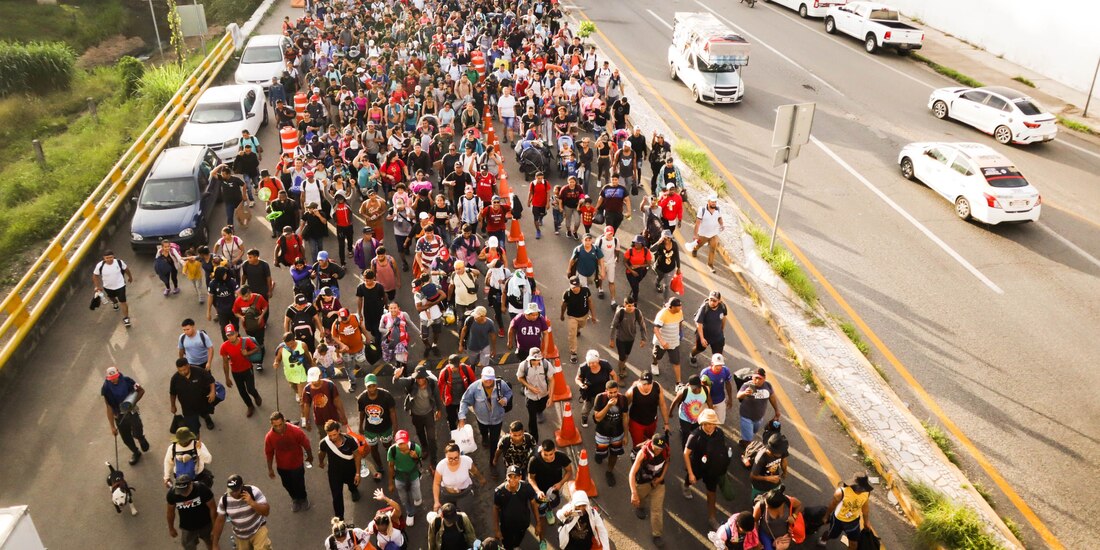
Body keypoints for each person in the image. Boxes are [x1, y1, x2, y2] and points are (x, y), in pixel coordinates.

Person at [684, 409, 733, 528]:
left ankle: (712, 518)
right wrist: (690, 473)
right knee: (689, 481)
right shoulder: (695, 435)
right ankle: (685, 486)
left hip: (712, 470)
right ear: (702, 423)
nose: (710, 426)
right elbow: (686, 453)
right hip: (697, 467)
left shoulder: (720, 433)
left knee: (712, 493)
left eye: (712, 423)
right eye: (707, 423)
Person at [393, 363, 444, 464]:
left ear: (426, 377)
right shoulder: (410, 382)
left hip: (429, 413)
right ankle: (425, 448)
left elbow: (437, 397)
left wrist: (439, 410)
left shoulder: (432, 383)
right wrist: (396, 376)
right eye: (418, 378)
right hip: (416, 414)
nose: (420, 380)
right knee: (420, 432)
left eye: (422, 378)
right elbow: (397, 382)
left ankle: (433, 457)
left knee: (431, 437)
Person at [263, 411, 312, 512]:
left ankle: (303, 498)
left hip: (297, 464)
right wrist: (270, 469)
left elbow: (306, 443)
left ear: (284, 421)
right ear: (271, 424)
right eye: (275, 425)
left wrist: (309, 456)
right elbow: (269, 453)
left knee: (299, 483)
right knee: (287, 484)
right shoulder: (269, 437)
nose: (279, 427)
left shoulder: (296, 431)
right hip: (282, 466)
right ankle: (295, 498)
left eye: (280, 424)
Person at [629, 432, 671, 547]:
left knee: (657, 510)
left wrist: (661, 477)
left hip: (658, 482)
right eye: (656, 448)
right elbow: (632, 474)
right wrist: (633, 493)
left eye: (660, 449)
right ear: (652, 443)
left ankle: (657, 535)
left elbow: (667, 461)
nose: (658, 451)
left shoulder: (665, 449)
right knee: (640, 497)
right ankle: (640, 507)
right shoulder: (643, 453)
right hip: (643, 481)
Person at [101, 366, 149, 465]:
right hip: (119, 416)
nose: (114, 380)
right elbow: (108, 407)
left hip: (131, 411)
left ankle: (140, 438)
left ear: (118, 374)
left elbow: (141, 391)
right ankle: (136, 452)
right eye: (111, 379)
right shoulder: (106, 388)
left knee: (137, 429)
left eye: (115, 377)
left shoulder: (127, 381)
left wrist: (132, 403)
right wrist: (112, 426)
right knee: (126, 438)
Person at [458, 367, 513, 452]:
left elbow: (509, 392)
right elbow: (464, 401)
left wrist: (505, 399)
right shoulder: (474, 387)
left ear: (494, 377)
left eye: (491, 378)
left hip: (497, 419)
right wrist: (462, 417)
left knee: (494, 440)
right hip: (482, 419)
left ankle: (493, 455)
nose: (488, 381)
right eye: (486, 378)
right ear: (481, 376)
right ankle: (485, 438)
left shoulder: (500, 384)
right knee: (483, 431)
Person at [211, 475, 271, 550]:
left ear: (242, 486)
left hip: (258, 530)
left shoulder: (253, 491)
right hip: (241, 537)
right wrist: (215, 544)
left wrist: (252, 503)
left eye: (236, 490)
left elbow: (266, 512)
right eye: (231, 490)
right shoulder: (224, 500)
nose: (234, 493)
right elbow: (219, 522)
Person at [357, 373, 399, 482]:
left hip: (386, 428)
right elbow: (362, 413)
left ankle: (391, 461)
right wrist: (360, 426)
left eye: (373, 385)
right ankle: (380, 466)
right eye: (369, 386)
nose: (371, 388)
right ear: (365, 386)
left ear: (377, 385)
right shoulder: (362, 398)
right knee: (373, 449)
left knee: (387, 445)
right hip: (370, 430)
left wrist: (395, 428)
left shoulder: (386, 396)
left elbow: (392, 412)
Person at [317, 419, 362, 520]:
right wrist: (320, 462)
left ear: (339, 431)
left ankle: (353, 490)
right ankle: (340, 518)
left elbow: (357, 456)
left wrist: (358, 474)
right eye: (330, 435)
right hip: (334, 473)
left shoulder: (350, 440)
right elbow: (322, 453)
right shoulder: (324, 443)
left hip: (350, 470)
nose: (332, 438)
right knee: (336, 497)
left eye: (334, 434)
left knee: (353, 484)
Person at [493, 464, 541, 550]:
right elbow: (496, 508)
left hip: (523, 523)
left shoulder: (526, 487)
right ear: (506, 476)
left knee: (518, 539)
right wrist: (497, 530)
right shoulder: (499, 491)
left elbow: (533, 504)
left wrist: (538, 523)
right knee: (507, 544)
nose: (512, 480)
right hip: (506, 526)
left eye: (515, 477)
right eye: (509, 476)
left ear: (520, 477)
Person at [527, 439, 574, 524]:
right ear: (541, 450)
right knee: (539, 506)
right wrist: (538, 491)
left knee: (553, 502)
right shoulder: (534, 460)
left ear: (555, 450)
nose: (548, 457)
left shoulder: (562, 457)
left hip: (556, 488)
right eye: (545, 454)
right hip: (540, 488)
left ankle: (548, 510)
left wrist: (561, 483)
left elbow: (569, 471)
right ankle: (540, 516)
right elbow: (531, 478)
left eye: (551, 454)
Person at [219, 324, 263, 417]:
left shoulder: (245, 341)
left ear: (236, 333)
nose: (230, 337)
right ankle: (250, 406)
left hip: (247, 369)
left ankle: (256, 395)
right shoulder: (224, 346)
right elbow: (225, 363)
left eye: (232, 334)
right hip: (235, 372)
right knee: (242, 392)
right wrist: (227, 378)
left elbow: (257, 348)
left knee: (250, 389)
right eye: (228, 335)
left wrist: (248, 353)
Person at [821, 473, 874, 548]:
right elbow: (832, 505)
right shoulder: (841, 492)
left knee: (854, 544)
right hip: (838, 520)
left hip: (853, 521)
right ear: (855, 485)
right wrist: (826, 516)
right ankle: (823, 539)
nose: (863, 490)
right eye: (862, 488)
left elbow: (865, 508)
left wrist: (866, 522)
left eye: (864, 488)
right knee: (832, 535)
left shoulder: (866, 493)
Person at [433, 441, 487, 513]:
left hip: (464, 493)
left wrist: (481, 479)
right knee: (449, 514)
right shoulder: (441, 466)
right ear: (446, 457)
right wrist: (436, 501)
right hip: (448, 495)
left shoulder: (466, 461)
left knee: (464, 513)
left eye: (456, 458)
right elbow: (436, 483)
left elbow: (474, 471)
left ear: (459, 455)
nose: (453, 461)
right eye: (450, 459)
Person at [592, 380, 628, 486]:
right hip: (602, 433)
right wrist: (607, 406)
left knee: (614, 454)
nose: (613, 395)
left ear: (618, 390)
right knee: (601, 452)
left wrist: (626, 435)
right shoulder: (600, 398)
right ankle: (599, 454)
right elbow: (597, 418)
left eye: (615, 392)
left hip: (617, 433)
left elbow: (625, 417)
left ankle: (609, 471)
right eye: (610, 392)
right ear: (606, 391)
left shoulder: (623, 399)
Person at [167, 474, 216, 550]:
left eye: (185, 490)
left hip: (206, 524)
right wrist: (171, 528)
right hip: (187, 528)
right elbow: (170, 512)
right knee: (188, 547)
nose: (183, 494)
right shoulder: (172, 494)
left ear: (191, 484)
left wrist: (215, 527)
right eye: (180, 491)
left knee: (211, 543)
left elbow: (213, 508)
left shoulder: (202, 489)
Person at [169, 358, 217, 434]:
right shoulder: (175, 379)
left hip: (202, 402)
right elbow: (172, 393)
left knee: (204, 413)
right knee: (193, 430)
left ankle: (207, 418)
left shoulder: (199, 371)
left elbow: (211, 380)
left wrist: (212, 392)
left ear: (188, 366)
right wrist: (173, 405)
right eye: (180, 370)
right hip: (188, 409)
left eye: (184, 370)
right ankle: (196, 440)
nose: (182, 372)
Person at [516, 348, 555, 442]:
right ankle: (534, 440)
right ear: (529, 358)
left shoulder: (546, 364)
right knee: (532, 419)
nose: (536, 362)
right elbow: (519, 377)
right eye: (534, 360)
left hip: (543, 394)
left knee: (541, 407)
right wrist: (530, 387)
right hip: (530, 396)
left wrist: (551, 396)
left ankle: (540, 411)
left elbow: (552, 380)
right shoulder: (523, 365)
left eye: (538, 360)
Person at [736, 368, 782, 447]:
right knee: (749, 439)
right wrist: (744, 393)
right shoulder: (747, 385)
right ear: (752, 377)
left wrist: (777, 410)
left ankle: (745, 440)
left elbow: (772, 398)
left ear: (764, 378)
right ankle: (746, 447)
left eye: (760, 378)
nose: (757, 381)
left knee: (754, 431)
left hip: (759, 418)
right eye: (755, 378)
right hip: (746, 417)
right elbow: (738, 396)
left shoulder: (768, 385)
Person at [625, 371, 670, 450]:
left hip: (652, 422)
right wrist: (624, 430)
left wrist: (666, 423)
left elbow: (662, 405)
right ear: (639, 381)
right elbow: (624, 409)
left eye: (649, 384)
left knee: (649, 441)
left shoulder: (657, 387)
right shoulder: (632, 392)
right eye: (644, 384)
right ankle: (637, 458)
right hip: (636, 423)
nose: (646, 386)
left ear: (652, 382)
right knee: (638, 445)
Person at [388, 429, 424, 525]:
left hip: (413, 475)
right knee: (404, 498)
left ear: (408, 441)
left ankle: (417, 498)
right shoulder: (392, 450)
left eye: (403, 443)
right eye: (399, 444)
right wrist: (391, 482)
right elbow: (391, 466)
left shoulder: (416, 448)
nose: (401, 446)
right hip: (399, 477)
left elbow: (420, 463)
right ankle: (410, 513)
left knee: (417, 497)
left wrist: (416, 457)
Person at [330, 307, 371, 390]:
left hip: (359, 348)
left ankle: (359, 367)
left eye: (346, 318)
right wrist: (342, 344)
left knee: (362, 362)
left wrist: (367, 337)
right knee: (349, 368)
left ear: (349, 315)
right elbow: (334, 336)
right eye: (342, 318)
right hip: (347, 352)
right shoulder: (336, 324)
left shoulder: (355, 317)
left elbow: (362, 328)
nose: (344, 320)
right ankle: (353, 382)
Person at [669, 374, 712, 450]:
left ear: (700, 385)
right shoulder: (684, 392)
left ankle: (693, 446)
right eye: (693, 388)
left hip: (696, 418)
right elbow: (674, 402)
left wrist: (711, 413)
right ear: (689, 385)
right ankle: (685, 450)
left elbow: (709, 401)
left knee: (695, 433)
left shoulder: (705, 390)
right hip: (684, 418)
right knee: (685, 435)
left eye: (697, 388)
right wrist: (670, 412)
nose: (695, 390)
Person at [301, 367, 348, 436]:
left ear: (320, 375)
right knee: (324, 437)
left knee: (336, 435)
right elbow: (306, 406)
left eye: (315, 379)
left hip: (333, 417)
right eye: (312, 380)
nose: (313, 382)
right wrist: (307, 421)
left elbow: (337, 401)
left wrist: (343, 416)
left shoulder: (330, 385)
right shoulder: (307, 389)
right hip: (319, 420)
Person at [752, 486, 803, 550]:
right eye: (767, 506)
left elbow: (799, 505)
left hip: (784, 535)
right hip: (766, 534)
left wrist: (794, 517)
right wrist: (756, 539)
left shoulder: (788, 501)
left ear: (781, 505)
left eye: (770, 508)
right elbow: (755, 521)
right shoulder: (760, 505)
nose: (767, 508)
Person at [576, 350, 617, 428]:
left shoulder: (605, 365)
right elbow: (577, 379)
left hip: (604, 393)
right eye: (589, 363)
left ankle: (602, 419)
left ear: (598, 360)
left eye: (594, 362)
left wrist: (613, 388)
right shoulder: (583, 367)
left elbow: (614, 375)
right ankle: (584, 418)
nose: (592, 365)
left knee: (604, 408)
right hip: (590, 394)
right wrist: (581, 385)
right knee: (586, 409)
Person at [560, 276, 596, 365]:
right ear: (570, 285)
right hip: (572, 316)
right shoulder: (567, 294)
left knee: (581, 326)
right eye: (573, 287)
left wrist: (593, 315)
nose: (575, 289)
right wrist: (562, 315)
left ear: (580, 284)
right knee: (572, 334)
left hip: (584, 316)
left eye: (576, 287)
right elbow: (563, 305)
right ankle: (573, 353)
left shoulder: (586, 291)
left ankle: (578, 329)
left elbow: (590, 302)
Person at [92, 250, 134, 327]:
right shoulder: (100, 265)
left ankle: (126, 318)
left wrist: (130, 277)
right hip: (108, 287)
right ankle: (114, 302)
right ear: (104, 258)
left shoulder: (119, 262)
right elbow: (95, 275)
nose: (109, 259)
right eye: (107, 258)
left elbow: (126, 269)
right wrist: (97, 286)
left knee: (123, 301)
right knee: (112, 297)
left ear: (113, 256)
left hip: (120, 285)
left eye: (111, 257)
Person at [609, 296, 646, 378]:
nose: (631, 308)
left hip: (631, 338)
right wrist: (611, 339)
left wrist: (643, 339)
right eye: (629, 306)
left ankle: (622, 365)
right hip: (620, 338)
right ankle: (621, 372)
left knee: (626, 355)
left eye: (633, 305)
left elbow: (642, 325)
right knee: (622, 357)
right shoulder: (620, 313)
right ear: (624, 304)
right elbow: (613, 326)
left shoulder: (637, 312)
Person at [651, 297, 685, 383]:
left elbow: (680, 322)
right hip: (662, 342)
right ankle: (654, 363)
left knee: (676, 362)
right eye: (678, 306)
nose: (680, 307)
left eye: (680, 305)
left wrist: (681, 332)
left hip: (674, 341)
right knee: (657, 356)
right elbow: (656, 329)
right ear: (672, 307)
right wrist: (662, 342)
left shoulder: (679, 312)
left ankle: (678, 382)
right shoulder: (662, 314)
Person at [691, 291, 729, 366]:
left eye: (714, 301)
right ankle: (692, 355)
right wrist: (702, 338)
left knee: (717, 357)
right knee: (699, 349)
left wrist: (721, 330)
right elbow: (699, 324)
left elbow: (724, 318)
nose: (711, 302)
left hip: (717, 337)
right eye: (710, 299)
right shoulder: (704, 308)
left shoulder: (723, 307)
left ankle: (713, 372)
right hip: (704, 336)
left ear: (719, 301)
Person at [749, 433, 790, 499]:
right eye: (780, 453)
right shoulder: (761, 457)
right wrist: (768, 478)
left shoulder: (781, 451)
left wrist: (785, 472)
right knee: (757, 501)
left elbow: (784, 460)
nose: (782, 454)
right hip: (760, 486)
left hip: (774, 483)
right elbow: (752, 476)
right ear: (773, 451)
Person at [693, 194, 726, 273]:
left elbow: (719, 218)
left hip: (713, 234)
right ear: (708, 202)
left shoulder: (718, 209)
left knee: (713, 249)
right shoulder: (702, 210)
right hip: (703, 234)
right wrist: (695, 234)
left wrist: (722, 224)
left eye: (715, 202)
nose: (714, 203)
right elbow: (697, 223)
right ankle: (695, 249)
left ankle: (710, 265)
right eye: (712, 202)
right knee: (699, 245)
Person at [701, 354, 735, 424]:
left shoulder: (725, 371)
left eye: (720, 365)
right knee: (705, 420)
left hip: (720, 400)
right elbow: (705, 391)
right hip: (706, 402)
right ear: (712, 363)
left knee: (719, 421)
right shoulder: (705, 373)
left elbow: (728, 384)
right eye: (717, 365)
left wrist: (730, 398)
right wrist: (711, 407)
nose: (719, 367)